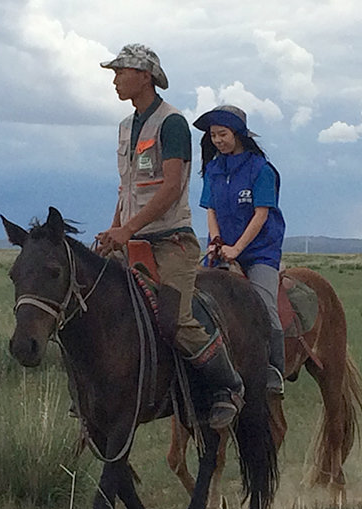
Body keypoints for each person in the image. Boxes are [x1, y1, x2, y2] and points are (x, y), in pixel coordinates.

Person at [97, 44, 244, 429]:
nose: (115, 79)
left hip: (170, 242)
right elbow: (127, 187)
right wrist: (115, 231)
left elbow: (170, 186)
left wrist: (126, 229)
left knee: (176, 319)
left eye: (121, 71)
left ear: (144, 76)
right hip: (130, 240)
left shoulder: (172, 123)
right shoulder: (126, 127)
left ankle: (227, 387)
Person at [192, 105, 286, 397]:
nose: (218, 140)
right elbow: (210, 209)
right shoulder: (213, 169)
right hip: (220, 249)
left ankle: (274, 370)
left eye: (223, 134)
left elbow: (261, 214)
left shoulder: (261, 170)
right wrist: (217, 241)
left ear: (238, 133)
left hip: (259, 251)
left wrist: (238, 249)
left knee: (265, 305)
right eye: (213, 135)